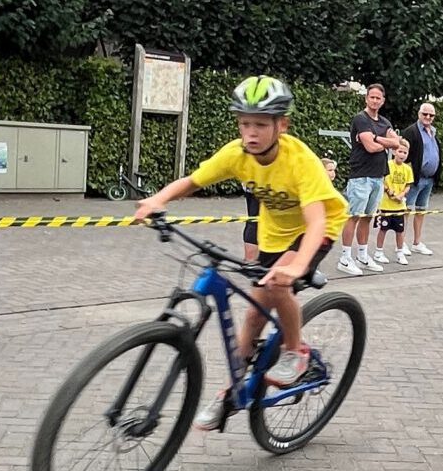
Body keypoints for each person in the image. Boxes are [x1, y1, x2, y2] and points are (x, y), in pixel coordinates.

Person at [134, 76, 346, 428]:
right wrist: (157, 200)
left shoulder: (300, 161)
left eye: (261, 124)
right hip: (273, 235)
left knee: (278, 286)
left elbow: (317, 222)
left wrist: (298, 267)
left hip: (317, 229)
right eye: (244, 123)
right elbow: (192, 182)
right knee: (253, 314)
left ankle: (297, 353)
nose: (251, 132)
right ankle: (233, 392)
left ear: (282, 125)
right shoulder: (237, 154)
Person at [338, 84, 401, 275]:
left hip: (377, 176)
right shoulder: (360, 119)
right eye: (371, 97)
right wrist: (383, 142)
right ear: (366, 98)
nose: (374, 100)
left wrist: (377, 138)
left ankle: (363, 255)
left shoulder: (385, 122)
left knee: (367, 217)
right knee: (354, 216)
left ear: (383, 101)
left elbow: (397, 143)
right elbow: (370, 147)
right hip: (361, 176)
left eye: (378, 98)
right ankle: (345, 258)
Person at [399, 102, 443, 257]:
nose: (428, 117)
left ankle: (417, 242)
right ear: (419, 114)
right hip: (415, 179)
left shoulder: (433, 132)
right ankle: (401, 243)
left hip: (429, 179)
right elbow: (402, 153)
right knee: (406, 210)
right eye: (425, 114)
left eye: (431, 115)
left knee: (421, 210)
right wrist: (407, 176)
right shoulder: (411, 131)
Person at [374, 140, 414, 266]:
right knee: (383, 229)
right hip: (385, 205)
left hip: (399, 206)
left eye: (405, 152)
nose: (402, 154)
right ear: (394, 152)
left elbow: (408, 185)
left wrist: (401, 195)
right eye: (400, 151)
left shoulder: (407, 169)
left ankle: (400, 252)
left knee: (400, 231)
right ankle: (378, 252)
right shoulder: (387, 165)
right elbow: (382, 181)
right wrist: (390, 193)